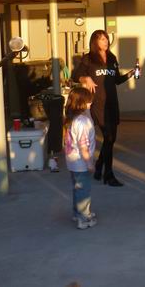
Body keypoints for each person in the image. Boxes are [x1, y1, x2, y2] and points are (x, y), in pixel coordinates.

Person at [73, 29, 134, 187]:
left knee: (111, 139)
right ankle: (109, 175)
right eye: (101, 39)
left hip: (112, 103)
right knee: (108, 136)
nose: (105, 41)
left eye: (106, 38)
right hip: (97, 103)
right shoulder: (88, 58)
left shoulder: (112, 58)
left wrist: (131, 73)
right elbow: (75, 75)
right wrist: (85, 78)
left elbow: (117, 80)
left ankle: (99, 166)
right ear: (95, 42)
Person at [64, 87, 97, 230]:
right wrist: (89, 163)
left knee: (77, 188)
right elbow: (83, 146)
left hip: (72, 161)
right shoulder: (83, 122)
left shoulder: (72, 119)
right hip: (81, 162)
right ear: (82, 103)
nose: (91, 103)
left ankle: (77, 213)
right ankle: (84, 218)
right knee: (84, 190)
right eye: (89, 101)